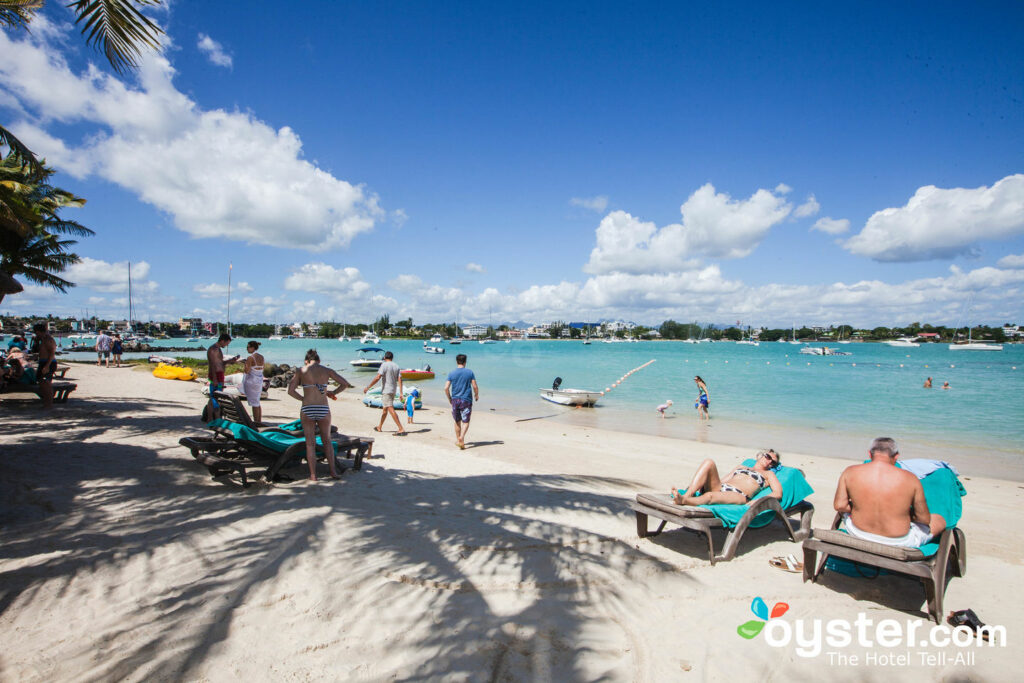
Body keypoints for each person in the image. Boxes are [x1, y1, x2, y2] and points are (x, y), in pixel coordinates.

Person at [832, 437, 945, 548]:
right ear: (896, 456)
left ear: (870, 454)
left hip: (858, 532)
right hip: (897, 541)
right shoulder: (910, 478)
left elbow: (840, 505)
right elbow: (924, 519)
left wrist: (861, 508)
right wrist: (903, 514)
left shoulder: (850, 471)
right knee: (939, 520)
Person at [287, 349, 353, 481]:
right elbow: (345, 384)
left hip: (307, 408)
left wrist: (303, 399)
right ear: (319, 360)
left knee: (310, 444)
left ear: (307, 360)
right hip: (323, 408)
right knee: (327, 442)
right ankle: (333, 472)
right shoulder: (327, 370)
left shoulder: (301, 370)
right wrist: (333, 392)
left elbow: (290, 391)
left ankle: (313, 475)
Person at [672, 449, 782, 505]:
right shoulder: (741, 467)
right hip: (722, 487)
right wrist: (704, 483)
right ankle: (687, 495)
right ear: (761, 455)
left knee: (711, 496)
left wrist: (757, 501)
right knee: (709, 462)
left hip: (739, 495)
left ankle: (684, 500)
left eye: (773, 462)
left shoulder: (768, 474)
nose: (769, 461)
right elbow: (723, 481)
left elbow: (778, 493)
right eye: (768, 457)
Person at [363, 350, 406, 434]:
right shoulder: (396, 366)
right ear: (392, 358)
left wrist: (368, 387)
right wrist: (401, 393)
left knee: (390, 408)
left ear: (385, 357)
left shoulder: (384, 365)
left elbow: (378, 377)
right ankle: (379, 426)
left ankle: (401, 428)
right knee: (385, 409)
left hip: (386, 390)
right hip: (393, 390)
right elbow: (400, 379)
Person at [444, 353, 479, 449]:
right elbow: (475, 386)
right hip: (466, 400)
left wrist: (450, 398)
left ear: (456, 362)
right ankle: (462, 437)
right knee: (466, 421)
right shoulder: (469, 372)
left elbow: (446, 388)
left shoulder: (452, 373)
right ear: (465, 362)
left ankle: (460, 441)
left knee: (457, 421)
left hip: (455, 400)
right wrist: (476, 395)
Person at [205, 334, 239, 420]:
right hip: (215, 376)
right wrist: (215, 378)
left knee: (215, 397)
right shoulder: (214, 349)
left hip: (219, 375)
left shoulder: (218, 349)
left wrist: (231, 360)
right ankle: (216, 418)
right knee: (216, 397)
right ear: (223, 341)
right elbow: (213, 364)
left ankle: (211, 418)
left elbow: (220, 363)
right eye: (226, 343)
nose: (226, 345)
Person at [32, 322, 57, 409]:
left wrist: (47, 365)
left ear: (38, 331)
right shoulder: (43, 339)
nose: (36, 334)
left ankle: (49, 404)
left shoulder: (48, 339)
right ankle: (46, 402)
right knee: (42, 383)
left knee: (47, 384)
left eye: (36, 332)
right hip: (43, 361)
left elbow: (52, 353)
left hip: (48, 362)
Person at [242, 341, 266, 425]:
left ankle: (256, 422)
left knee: (254, 403)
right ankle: (258, 421)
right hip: (259, 381)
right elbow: (263, 368)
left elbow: (247, 371)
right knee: (257, 402)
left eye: (248, 347)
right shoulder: (261, 357)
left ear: (253, 348)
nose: (247, 348)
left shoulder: (250, 358)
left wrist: (244, 365)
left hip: (251, 381)